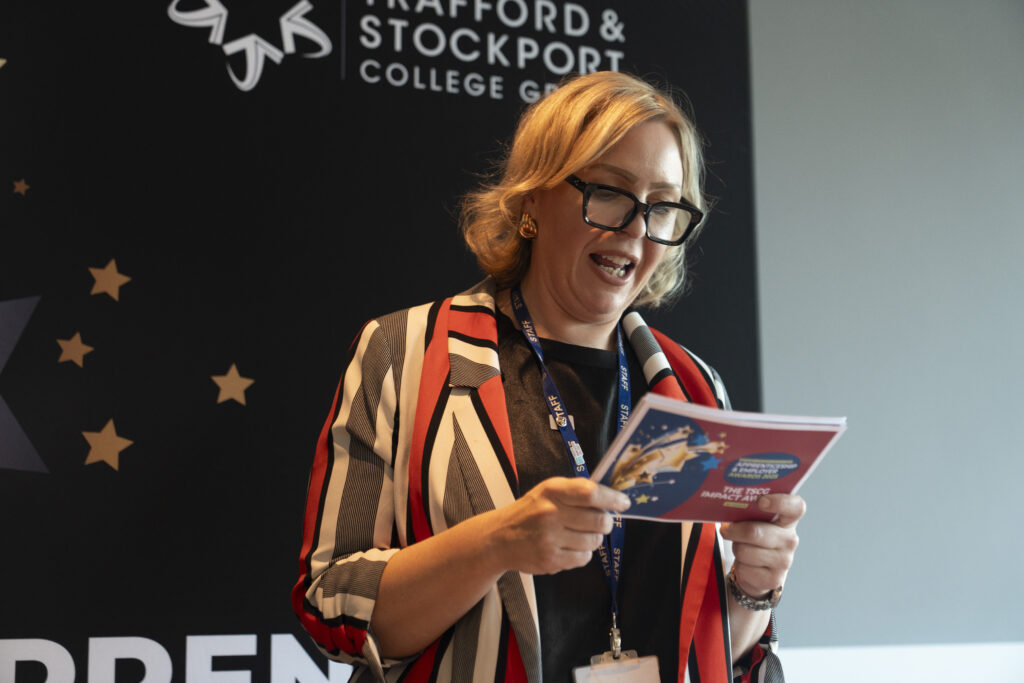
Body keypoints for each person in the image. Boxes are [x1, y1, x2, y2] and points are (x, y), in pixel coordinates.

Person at [292, 71, 804, 683]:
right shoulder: (405, 351)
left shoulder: (694, 386)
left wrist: (750, 591)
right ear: (533, 198)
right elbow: (332, 606)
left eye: (663, 206)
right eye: (610, 192)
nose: (636, 229)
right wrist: (496, 542)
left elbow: (720, 651)